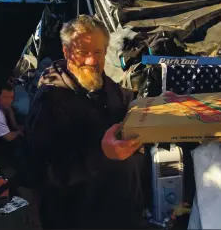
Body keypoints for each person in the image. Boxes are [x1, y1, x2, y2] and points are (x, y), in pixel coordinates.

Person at [25, 15, 144, 229]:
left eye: (98, 52)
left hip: (122, 215)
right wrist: (102, 154)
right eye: (83, 52)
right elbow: (40, 172)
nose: (91, 61)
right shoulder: (50, 100)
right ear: (66, 51)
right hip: (78, 219)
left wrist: (157, 106)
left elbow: (129, 110)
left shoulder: (109, 87)